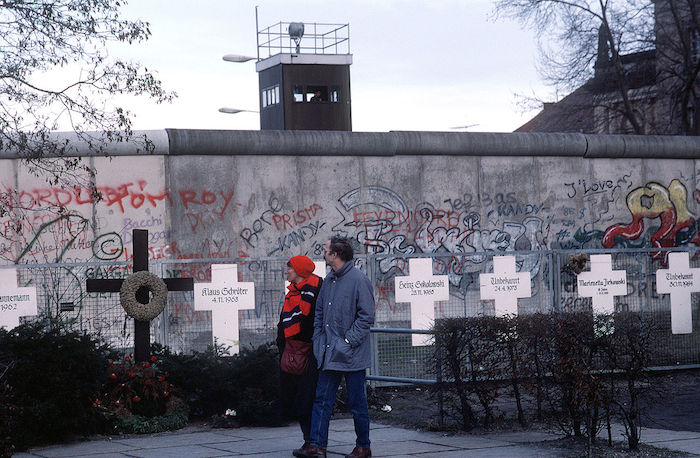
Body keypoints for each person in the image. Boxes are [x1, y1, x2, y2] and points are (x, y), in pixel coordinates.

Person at [294, 236, 375, 458]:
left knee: (357, 403)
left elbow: (366, 317)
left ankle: (363, 447)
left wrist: (347, 342)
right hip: (328, 353)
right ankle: (317, 445)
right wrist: (319, 340)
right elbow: (319, 314)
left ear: (335, 254)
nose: (323, 252)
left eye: (325, 249)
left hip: (352, 355)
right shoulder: (328, 280)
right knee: (322, 401)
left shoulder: (359, 280)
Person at [277, 255, 323, 452]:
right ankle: (308, 440)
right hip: (293, 353)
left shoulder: (315, 289)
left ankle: (314, 442)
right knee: (297, 397)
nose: (287, 271)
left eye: (290, 268)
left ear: (299, 271)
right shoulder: (292, 292)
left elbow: (311, 323)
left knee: (307, 398)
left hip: (309, 354)